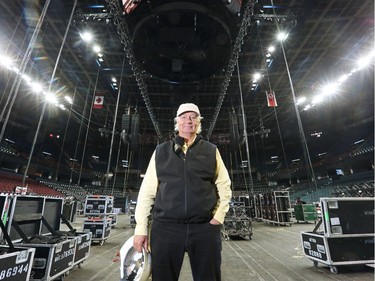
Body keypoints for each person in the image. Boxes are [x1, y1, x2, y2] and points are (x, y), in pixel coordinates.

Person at [133, 103, 232, 281]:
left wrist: (219, 217)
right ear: (177, 121)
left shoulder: (211, 151)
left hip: (204, 228)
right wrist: (140, 229)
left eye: (194, 117)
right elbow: (147, 192)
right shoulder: (160, 151)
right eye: (184, 116)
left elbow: (224, 186)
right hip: (166, 229)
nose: (189, 120)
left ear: (199, 122)